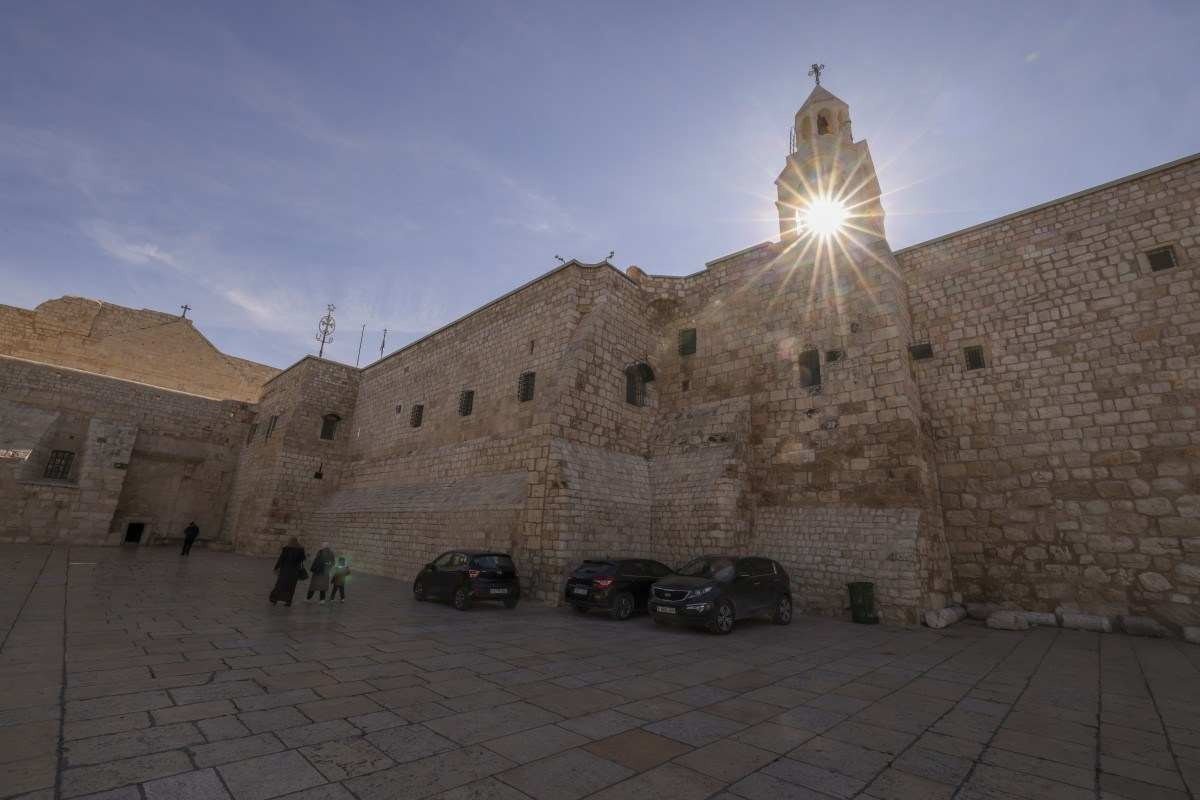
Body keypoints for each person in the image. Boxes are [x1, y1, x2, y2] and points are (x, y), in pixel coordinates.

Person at [270, 536, 307, 606]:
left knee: (279, 585)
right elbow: (302, 561)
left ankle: (274, 599)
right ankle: (288, 602)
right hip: (294, 572)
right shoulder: (301, 550)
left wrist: (276, 567)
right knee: (291, 587)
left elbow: (281, 559)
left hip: (285, 570)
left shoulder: (286, 549)